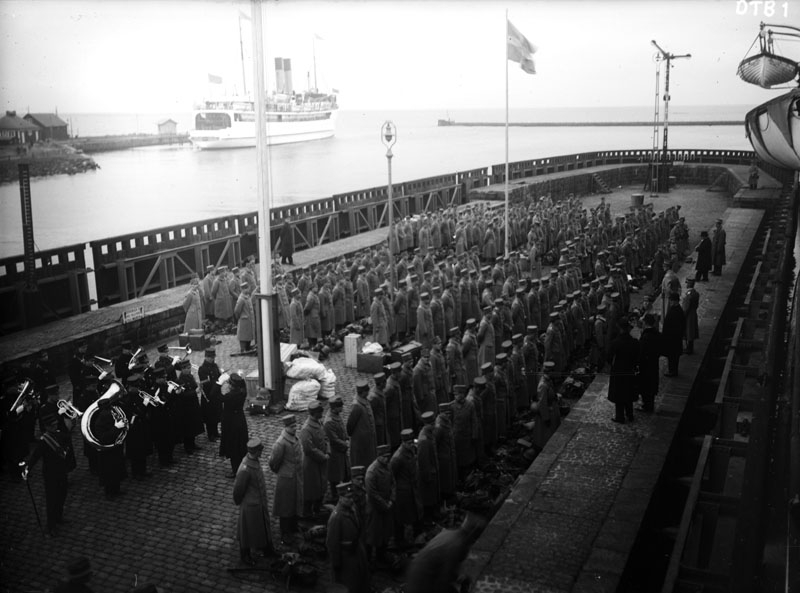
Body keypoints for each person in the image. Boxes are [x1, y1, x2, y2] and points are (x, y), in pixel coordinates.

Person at [20, 406, 72, 535]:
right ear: (47, 427)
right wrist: (28, 469)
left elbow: (67, 438)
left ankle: (58, 517)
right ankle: (51, 525)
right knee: (52, 500)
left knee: (62, 495)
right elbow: (35, 457)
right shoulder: (44, 441)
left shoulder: (59, 434)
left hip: (61, 470)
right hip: (50, 474)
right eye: (52, 425)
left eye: (55, 424)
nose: (55, 427)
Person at [404, 512, 486, 593]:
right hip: (421, 581)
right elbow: (443, 580)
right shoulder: (457, 545)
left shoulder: (450, 533)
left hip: (417, 573)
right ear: (472, 535)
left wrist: (457, 578)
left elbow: (442, 567)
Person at [233, 438, 275, 566]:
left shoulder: (254, 462)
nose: (261, 453)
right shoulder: (245, 469)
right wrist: (244, 502)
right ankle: (245, 556)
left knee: (260, 528)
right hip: (250, 506)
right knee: (247, 532)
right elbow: (238, 491)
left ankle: (266, 549)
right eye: (260, 451)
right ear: (256, 452)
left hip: (258, 503)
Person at [326, 482, 371, 593]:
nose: (351, 500)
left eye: (351, 497)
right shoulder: (336, 517)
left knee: (361, 581)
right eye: (347, 498)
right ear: (340, 498)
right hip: (346, 557)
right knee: (348, 585)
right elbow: (332, 543)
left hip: (357, 551)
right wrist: (336, 563)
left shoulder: (352, 507)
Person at [269, 414, 304, 545]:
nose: (295, 428)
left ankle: (293, 525)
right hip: (286, 479)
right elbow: (274, 462)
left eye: (295, 426)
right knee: (285, 507)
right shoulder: (281, 443)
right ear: (286, 427)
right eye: (292, 426)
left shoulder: (294, 437)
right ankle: (285, 532)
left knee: (295, 502)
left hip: (296, 477)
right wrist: (282, 472)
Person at [391, 428, 422, 547]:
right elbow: (392, 476)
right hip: (403, 492)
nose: (411, 445)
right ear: (403, 443)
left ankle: (416, 535)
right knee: (401, 517)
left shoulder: (411, 450)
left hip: (412, 488)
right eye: (408, 443)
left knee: (415, 513)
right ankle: (399, 541)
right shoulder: (397, 457)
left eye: (412, 442)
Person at [365, 444, 395, 564]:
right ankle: (369, 560)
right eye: (384, 457)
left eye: (388, 457)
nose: (386, 459)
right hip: (375, 509)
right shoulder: (372, 472)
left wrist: (392, 499)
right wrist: (384, 505)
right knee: (373, 536)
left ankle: (381, 556)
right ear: (378, 456)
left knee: (385, 534)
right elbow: (372, 493)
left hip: (387, 505)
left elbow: (393, 483)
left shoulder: (388, 466)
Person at [300, 400, 329, 519]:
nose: (322, 413)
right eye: (320, 412)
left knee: (321, 486)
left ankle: (318, 508)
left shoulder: (319, 423)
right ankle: (307, 512)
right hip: (311, 464)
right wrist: (323, 457)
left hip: (321, 462)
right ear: (314, 413)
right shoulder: (306, 429)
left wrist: (328, 451)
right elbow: (309, 449)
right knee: (311, 489)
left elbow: (325, 437)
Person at [607, 316, 639, 424]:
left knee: (619, 394)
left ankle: (619, 416)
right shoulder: (634, 342)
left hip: (618, 371)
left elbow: (609, 357)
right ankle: (630, 414)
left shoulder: (615, 343)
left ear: (620, 328)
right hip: (630, 370)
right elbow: (637, 357)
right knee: (628, 392)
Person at [219, 373, 249, 478]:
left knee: (233, 447)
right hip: (240, 420)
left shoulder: (230, 396)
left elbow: (215, 396)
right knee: (241, 446)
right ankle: (243, 467)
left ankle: (236, 470)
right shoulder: (242, 392)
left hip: (231, 423)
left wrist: (219, 384)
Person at [323, 395, 350, 502]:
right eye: (340, 406)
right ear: (334, 408)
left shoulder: (336, 416)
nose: (342, 408)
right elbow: (333, 439)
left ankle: (345, 492)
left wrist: (346, 438)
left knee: (345, 473)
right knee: (334, 477)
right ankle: (334, 497)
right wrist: (345, 444)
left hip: (341, 451)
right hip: (335, 453)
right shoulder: (329, 422)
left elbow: (342, 429)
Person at [347, 379, 377, 468]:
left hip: (368, 440)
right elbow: (350, 425)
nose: (368, 393)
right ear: (362, 392)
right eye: (367, 391)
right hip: (361, 442)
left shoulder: (365, 401)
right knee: (361, 462)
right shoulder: (357, 406)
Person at [637, 313, 661, 413]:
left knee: (645, 386)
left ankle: (647, 405)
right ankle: (649, 404)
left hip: (645, 365)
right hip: (654, 363)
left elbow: (641, 352)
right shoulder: (657, 334)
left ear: (645, 323)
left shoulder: (646, 336)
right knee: (652, 385)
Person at [197, 349, 222, 442]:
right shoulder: (202, 369)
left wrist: (221, 376)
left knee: (216, 414)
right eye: (210, 357)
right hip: (208, 395)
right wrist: (216, 382)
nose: (212, 359)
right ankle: (210, 434)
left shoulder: (215, 366)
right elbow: (205, 382)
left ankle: (215, 432)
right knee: (209, 416)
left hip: (216, 394)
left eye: (213, 357)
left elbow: (218, 376)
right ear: (206, 357)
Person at [662, 292, 685, 377]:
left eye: (671, 300)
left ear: (675, 301)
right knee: (673, 356)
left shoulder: (676, 311)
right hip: (674, 338)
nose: (670, 302)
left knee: (672, 356)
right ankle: (673, 370)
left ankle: (672, 371)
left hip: (673, 338)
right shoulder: (677, 310)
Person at [234, 282, 255, 353]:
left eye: (247, 288)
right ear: (242, 290)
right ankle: (243, 348)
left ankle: (248, 347)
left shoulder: (247, 297)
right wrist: (239, 317)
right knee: (243, 335)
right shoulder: (241, 299)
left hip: (249, 319)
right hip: (244, 319)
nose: (247, 290)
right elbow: (237, 311)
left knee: (248, 334)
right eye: (245, 289)